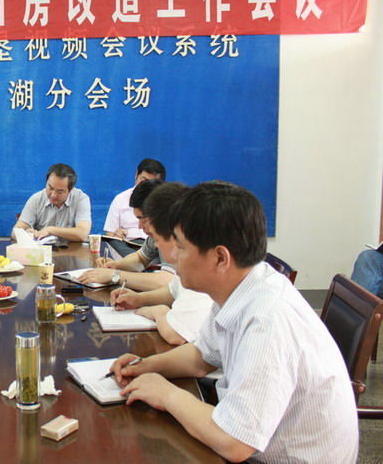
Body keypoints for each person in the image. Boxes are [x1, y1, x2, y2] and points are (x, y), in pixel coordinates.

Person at [111, 182, 358, 463]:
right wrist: (145, 366)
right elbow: (201, 356)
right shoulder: (241, 286)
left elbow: (234, 442)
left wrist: (166, 394)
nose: (171, 256)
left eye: (180, 246)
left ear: (220, 258)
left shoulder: (267, 319)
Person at [110, 182, 213, 345]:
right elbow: (172, 291)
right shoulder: (187, 255)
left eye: (156, 239)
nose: (156, 245)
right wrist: (138, 299)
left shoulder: (199, 265)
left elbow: (176, 335)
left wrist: (160, 311)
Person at [79, 179, 173, 291]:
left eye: (142, 219)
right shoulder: (158, 231)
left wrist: (114, 275)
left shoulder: (178, 234)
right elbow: (141, 258)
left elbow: (165, 281)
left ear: (159, 213)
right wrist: (116, 265)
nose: (139, 226)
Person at [11, 163, 91, 243]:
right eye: (50, 188)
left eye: (60, 191)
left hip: (72, 250)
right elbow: (15, 233)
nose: (53, 195)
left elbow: (83, 234)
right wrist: (27, 234)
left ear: (70, 190)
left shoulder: (80, 199)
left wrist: (49, 230)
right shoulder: (36, 199)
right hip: (42, 249)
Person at [104, 158, 166, 256]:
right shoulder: (120, 199)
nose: (145, 186)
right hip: (126, 244)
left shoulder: (163, 203)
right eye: (144, 180)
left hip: (154, 245)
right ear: (137, 174)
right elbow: (110, 234)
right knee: (113, 242)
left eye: (151, 182)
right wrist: (117, 235)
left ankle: (136, 260)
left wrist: (129, 233)